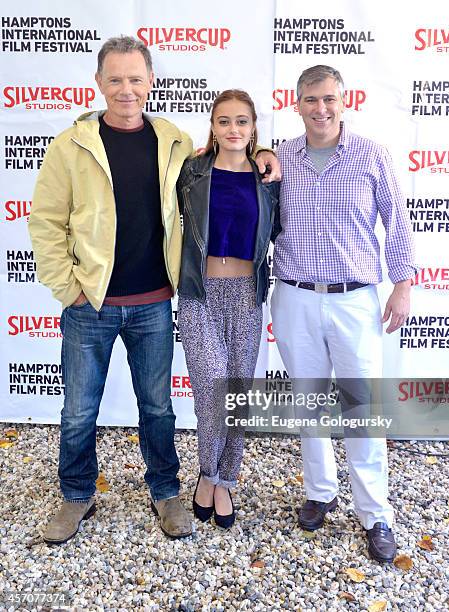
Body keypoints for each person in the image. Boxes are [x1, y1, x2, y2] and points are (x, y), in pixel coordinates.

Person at [28, 36, 279, 544]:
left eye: (135, 79)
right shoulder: (69, 146)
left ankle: (166, 490)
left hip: (153, 303)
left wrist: (266, 150)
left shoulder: (173, 142)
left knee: (158, 406)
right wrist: (69, 288)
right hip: (90, 304)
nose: (126, 89)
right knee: (78, 409)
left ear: (150, 83)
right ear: (99, 83)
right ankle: (76, 495)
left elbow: (225, 156)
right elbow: (46, 222)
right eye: (115, 79)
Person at [271, 65, 415, 562]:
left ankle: (375, 513)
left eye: (328, 98)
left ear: (344, 99)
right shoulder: (280, 157)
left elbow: (396, 223)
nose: (321, 108)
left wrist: (403, 284)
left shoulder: (372, 155)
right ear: (297, 103)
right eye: (310, 99)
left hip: (355, 298)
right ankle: (319, 491)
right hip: (294, 296)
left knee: (361, 409)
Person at [176, 90, 278, 528]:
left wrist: (271, 154)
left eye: (241, 121)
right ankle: (207, 473)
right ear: (212, 127)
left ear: (254, 127)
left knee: (237, 396)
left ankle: (226, 479)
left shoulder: (268, 177)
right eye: (223, 121)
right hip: (200, 293)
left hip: (246, 295)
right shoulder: (192, 173)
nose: (233, 130)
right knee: (212, 394)